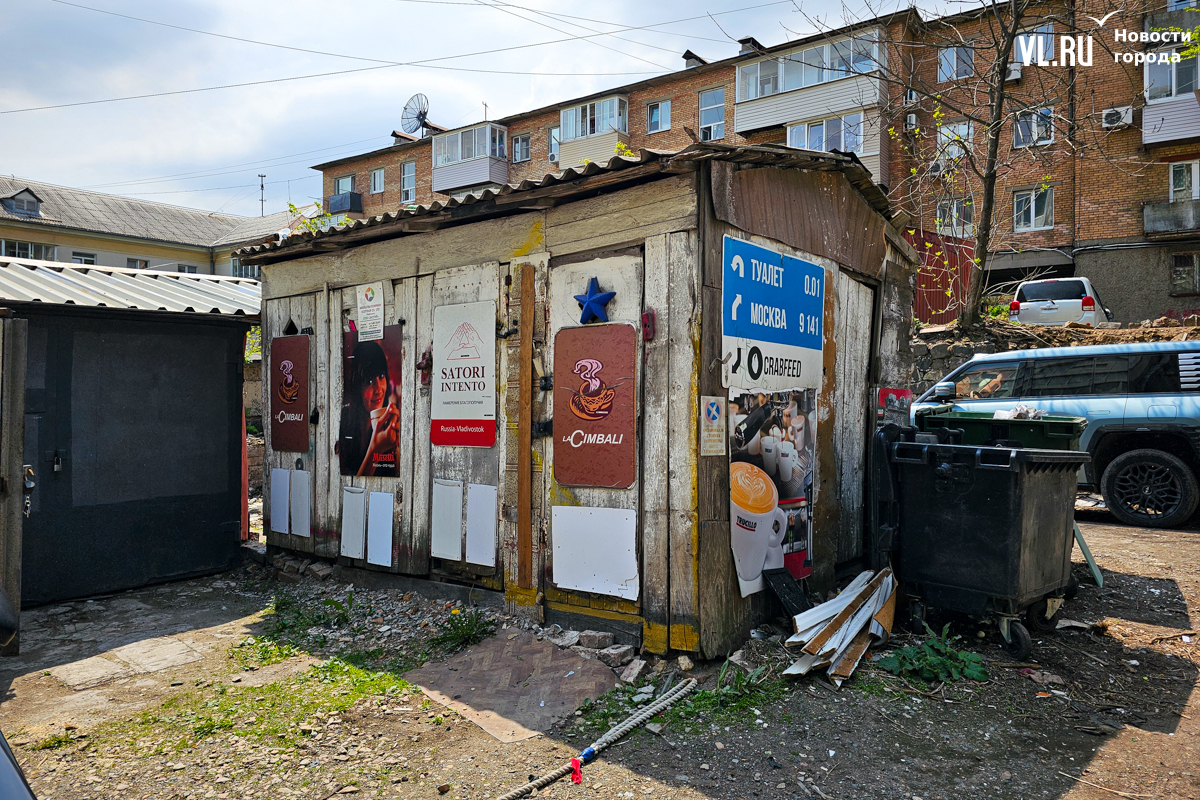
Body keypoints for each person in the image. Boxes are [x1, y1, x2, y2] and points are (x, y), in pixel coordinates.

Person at [339, 339, 400, 476]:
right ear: (357, 387)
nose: (378, 389)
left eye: (381, 376)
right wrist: (375, 449)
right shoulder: (344, 424)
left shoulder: (391, 426)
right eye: (369, 381)